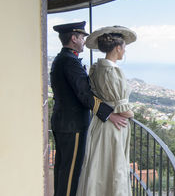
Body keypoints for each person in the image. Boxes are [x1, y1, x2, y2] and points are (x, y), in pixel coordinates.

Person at [50, 21, 128, 196]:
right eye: (82, 37)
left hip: (63, 122)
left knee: (62, 170)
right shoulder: (70, 61)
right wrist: (110, 115)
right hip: (73, 125)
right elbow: (84, 94)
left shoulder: (62, 58)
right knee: (70, 173)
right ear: (73, 38)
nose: (84, 41)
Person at [76, 25, 137, 196]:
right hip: (113, 129)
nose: (124, 52)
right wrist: (132, 114)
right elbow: (123, 108)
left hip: (101, 124)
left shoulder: (97, 69)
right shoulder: (112, 71)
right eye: (124, 48)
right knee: (113, 168)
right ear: (118, 48)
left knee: (99, 168)